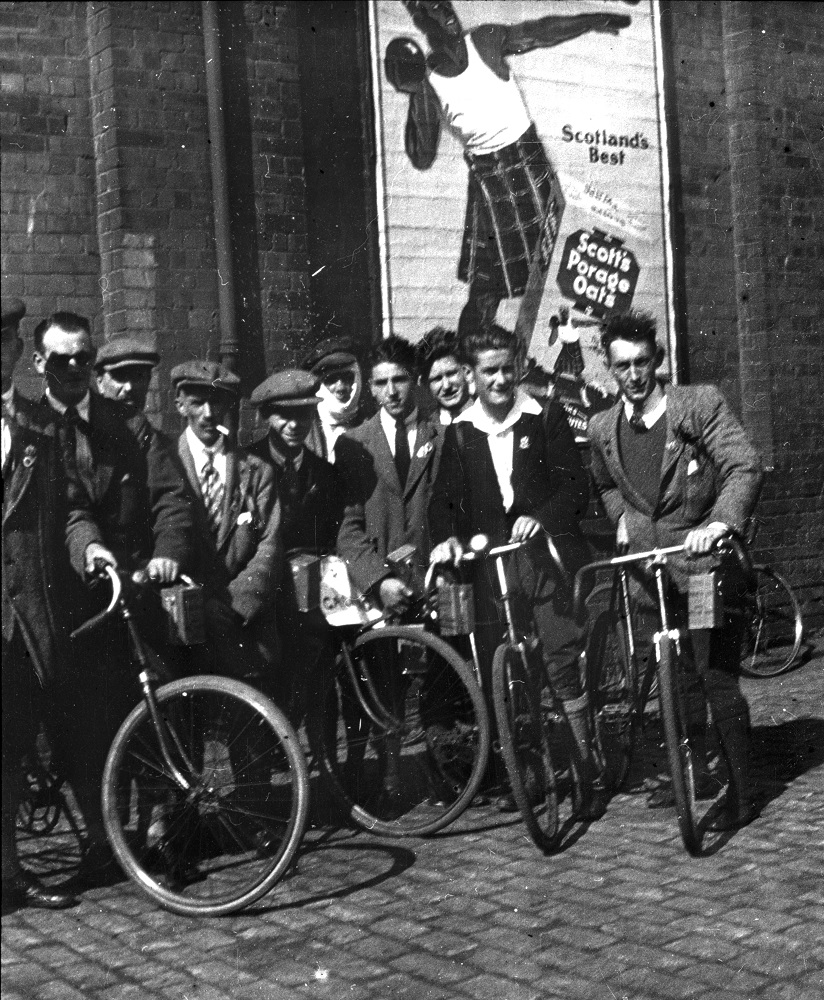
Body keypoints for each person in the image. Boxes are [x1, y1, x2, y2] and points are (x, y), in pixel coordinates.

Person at [588, 310, 763, 830]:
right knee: (673, 676)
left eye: (643, 362)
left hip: (704, 567)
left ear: (657, 361)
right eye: (622, 366)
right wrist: (620, 519)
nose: (634, 375)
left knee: (715, 677)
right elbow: (605, 484)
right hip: (648, 575)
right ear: (609, 368)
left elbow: (743, 464)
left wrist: (721, 523)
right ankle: (691, 772)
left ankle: (744, 790)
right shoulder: (602, 427)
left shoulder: (697, 404)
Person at [32, 312, 190, 885]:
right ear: (39, 365)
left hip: (131, 591)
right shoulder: (29, 428)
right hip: (65, 600)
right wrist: (88, 550)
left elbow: (171, 499)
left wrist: (163, 553)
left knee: (146, 714)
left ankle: (155, 841)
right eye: (61, 360)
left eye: (82, 358)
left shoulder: (127, 427)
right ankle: (102, 845)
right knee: (79, 728)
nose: (73, 369)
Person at [428, 323, 606, 820]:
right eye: (490, 372)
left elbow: (575, 487)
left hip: (542, 560)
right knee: (503, 671)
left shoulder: (542, 416)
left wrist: (542, 516)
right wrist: (446, 538)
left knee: (559, 659)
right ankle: (528, 776)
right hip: (491, 571)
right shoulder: (460, 432)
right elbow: (442, 502)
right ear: (471, 375)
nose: (501, 380)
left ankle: (585, 768)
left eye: (508, 369)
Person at [389, 1, 631, 342]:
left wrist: (591, 20)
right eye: (432, 12)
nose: (446, 15)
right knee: (486, 289)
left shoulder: (484, 40)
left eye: (445, 6)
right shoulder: (426, 80)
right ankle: (467, 365)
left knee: (564, 263)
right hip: (488, 182)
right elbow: (422, 156)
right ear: (422, 24)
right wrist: (412, 92)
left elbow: (539, 31)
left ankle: (596, 348)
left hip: (527, 165)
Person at [1, 299, 85, 913]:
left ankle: (8, 872)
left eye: (3, 342)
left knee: (10, 744)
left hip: (24, 615)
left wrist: (94, 549)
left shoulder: (40, 426)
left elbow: (71, 511)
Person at [172, 361, 285, 698]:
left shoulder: (256, 471)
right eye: (197, 402)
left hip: (242, 620)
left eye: (216, 402)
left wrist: (242, 598)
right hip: (186, 619)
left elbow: (270, 542)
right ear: (179, 404)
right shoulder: (165, 464)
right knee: (187, 721)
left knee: (250, 722)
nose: (208, 413)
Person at [249, 368, 342, 724]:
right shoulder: (247, 464)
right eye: (285, 415)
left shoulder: (325, 473)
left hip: (315, 590)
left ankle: (325, 759)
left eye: (303, 415)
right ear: (267, 417)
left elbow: (333, 537)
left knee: (324, 674)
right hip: (268, 593)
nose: (294, 424)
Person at [336, 335, 444, 616]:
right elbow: (347, 528)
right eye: (381, 383)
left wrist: (446, 573)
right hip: (380, 599)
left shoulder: (443, 438)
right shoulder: (353, 444)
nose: (392, 391)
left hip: (436, 589)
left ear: (416, 379)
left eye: (400, 379)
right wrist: (379, 581)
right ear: (370, 388)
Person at [301, 336, 365, 463]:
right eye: (331, 379)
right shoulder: (302, 433)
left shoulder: (373, 424)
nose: (341, 387)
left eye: (347, 377)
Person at [416, 326, 471, 424]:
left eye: (451, 374)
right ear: (425, 384)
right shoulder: (423, 428)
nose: (446, 386)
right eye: (436, 379)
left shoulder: (491, 418)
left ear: (467, 372)